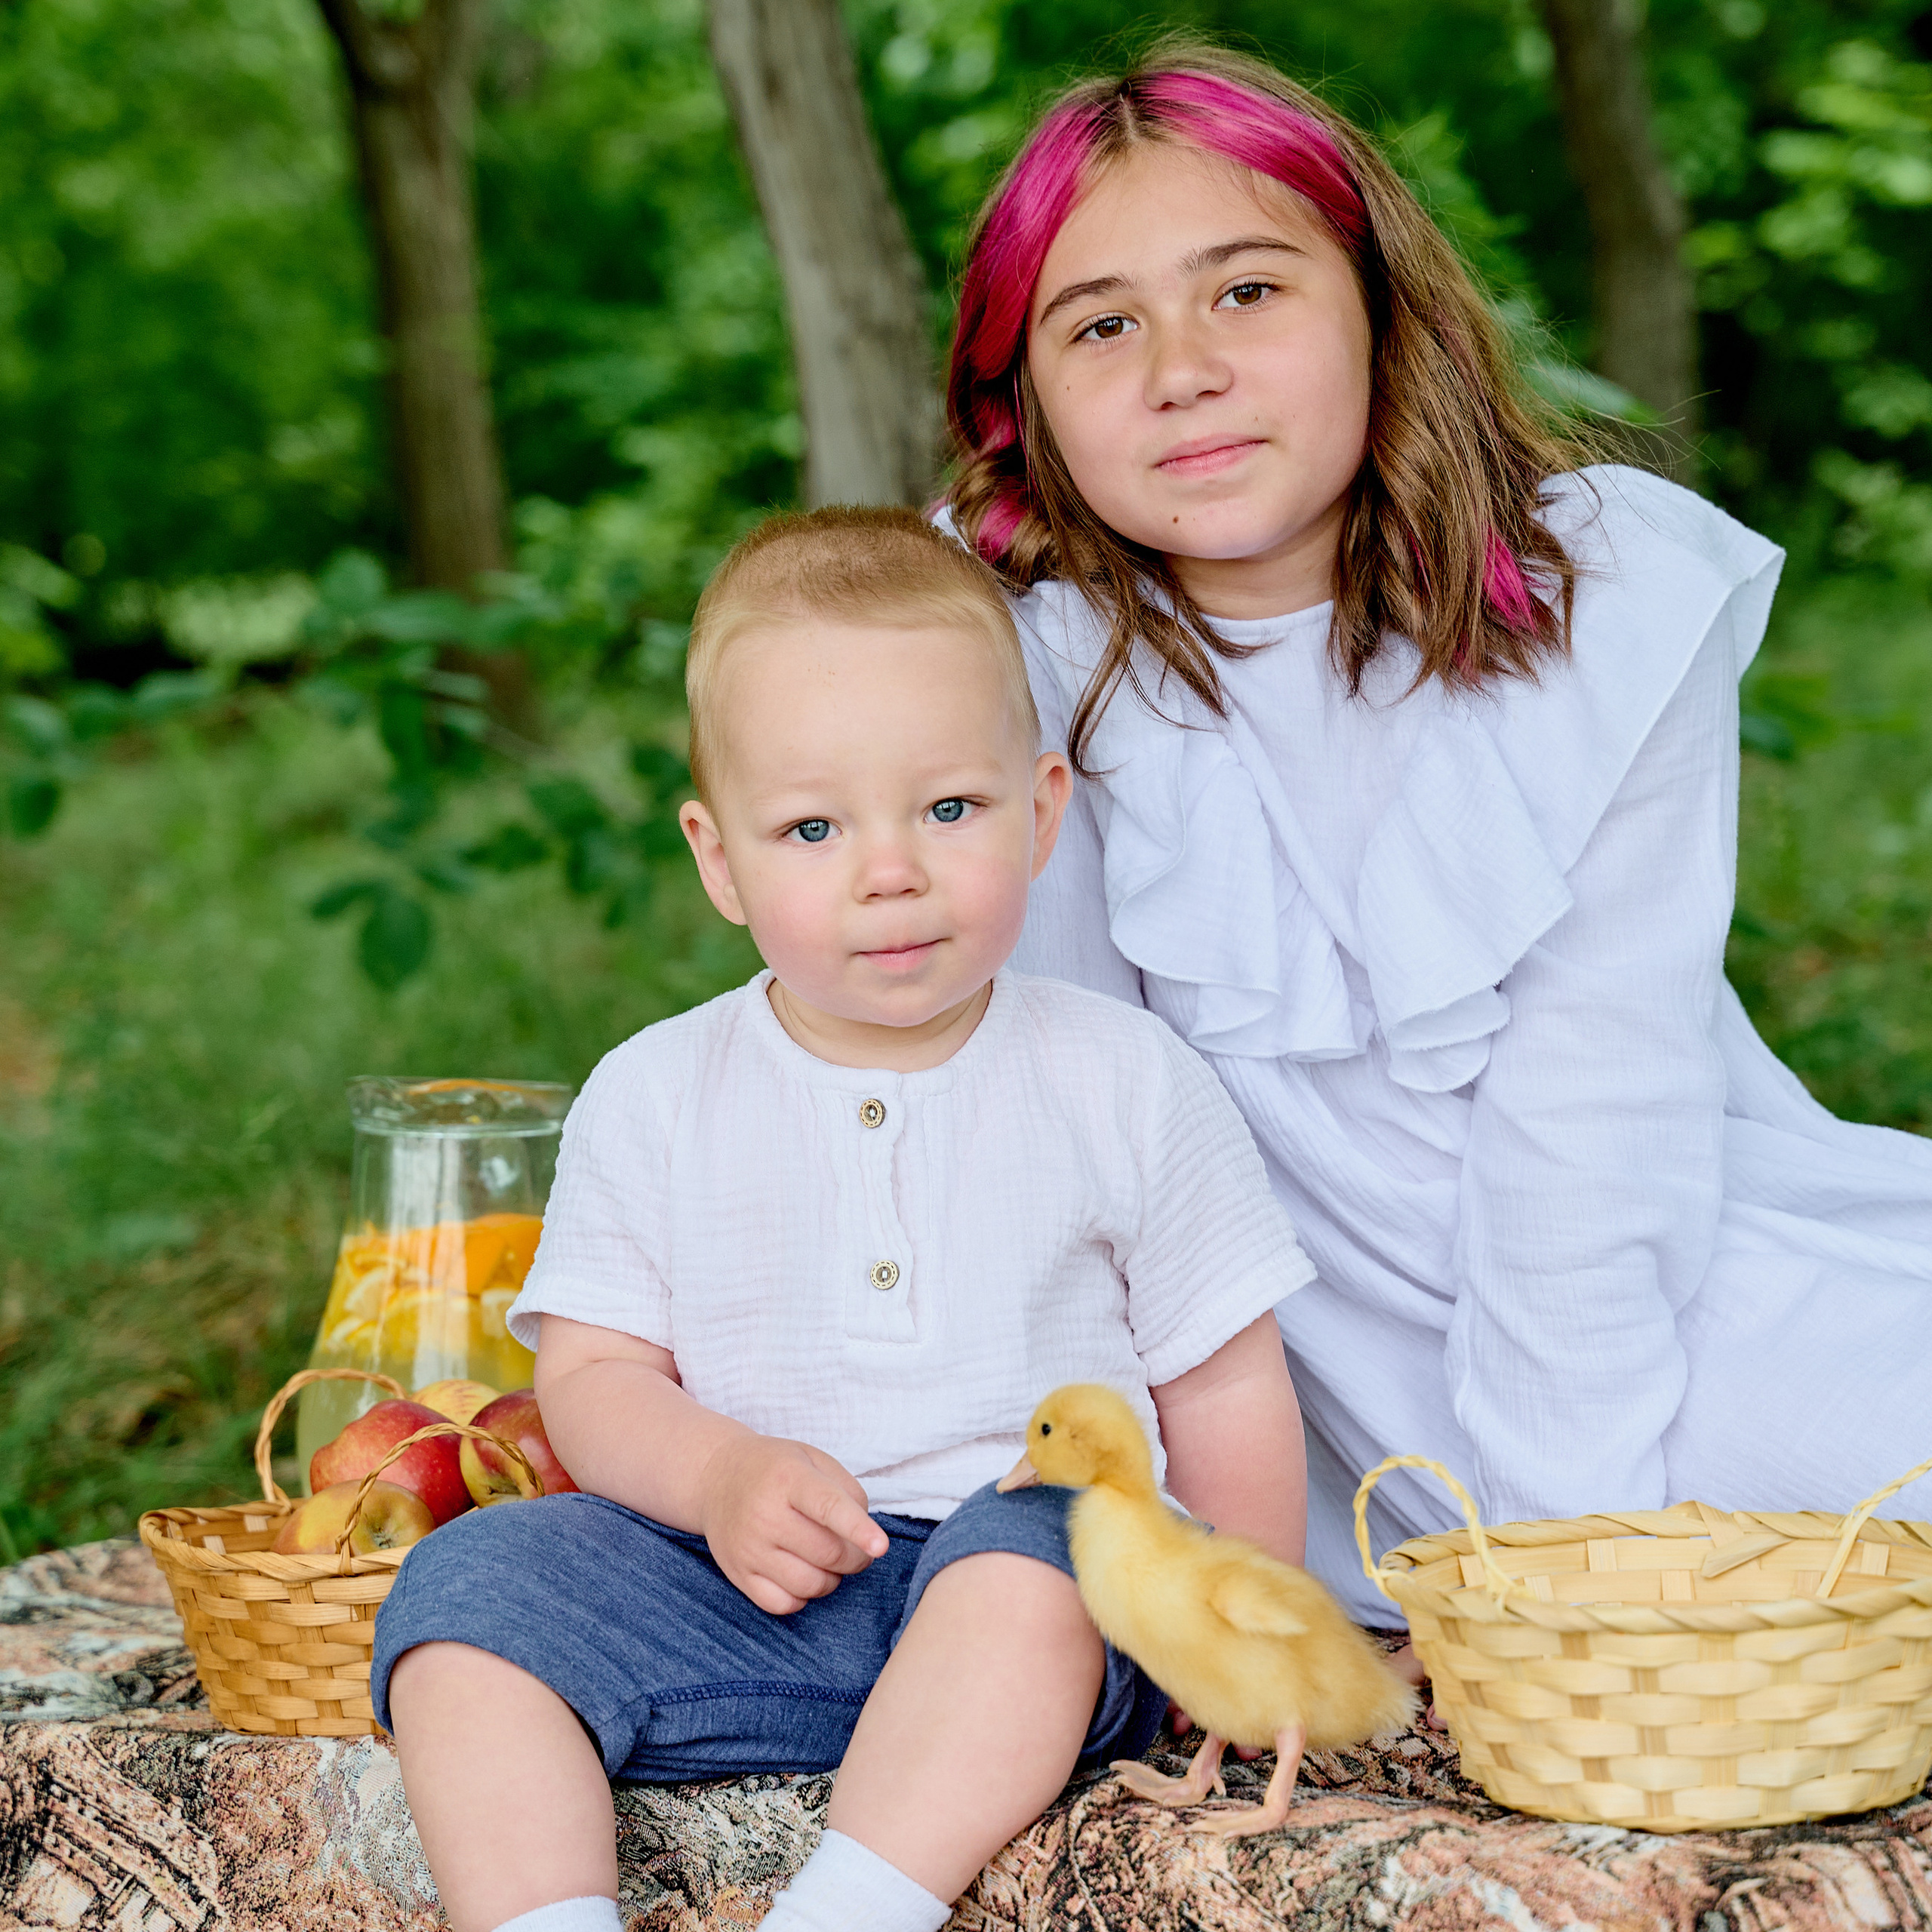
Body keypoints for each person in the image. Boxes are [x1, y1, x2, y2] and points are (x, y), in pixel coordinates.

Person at [940, 40, 1932, 1627]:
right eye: (1100, 324)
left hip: (1638, 1297)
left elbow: (1592, 1125)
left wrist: (1560, 1547)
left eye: (1245, 291)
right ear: (1024, 399)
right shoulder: (1012, 652)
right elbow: (1040, 1108)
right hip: (1285, 1390)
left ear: (1376, 308)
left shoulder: (1597, 606)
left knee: (1866, 1444)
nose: (1179, 368)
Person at [371, 506, 1315, 1932]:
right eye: (813, 827)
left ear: (1043, 809)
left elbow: (1223, 1373)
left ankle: (855, 1908)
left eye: (949, 809)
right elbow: (597, 1376)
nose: (891, 871)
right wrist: (721, 1478)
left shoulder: (1124, 1075)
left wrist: (1255, 1624)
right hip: (736, 1584)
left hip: (1027, 1603)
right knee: (471, 1588)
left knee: (1056, 1535)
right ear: (719, 859)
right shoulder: (659, 1089)